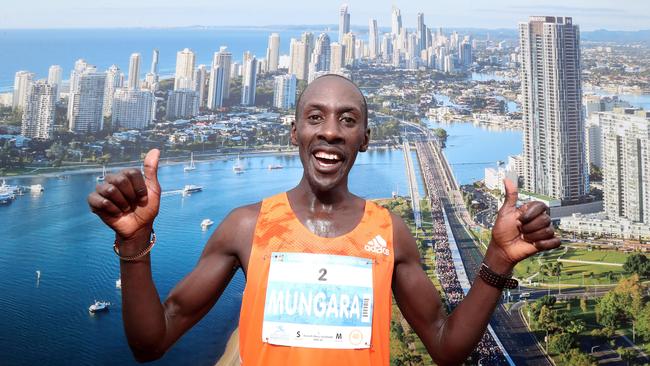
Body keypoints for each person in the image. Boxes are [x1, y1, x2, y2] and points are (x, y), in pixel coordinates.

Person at [88, 75, 560, 365]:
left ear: (366, 138)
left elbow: (447, 348)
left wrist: (498, 259)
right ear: (295, 131)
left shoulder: (389, 232)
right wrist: (134, 245)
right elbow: (151, 343)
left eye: (347, 120)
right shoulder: (245, 227)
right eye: (315, 117)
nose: (330, 130)